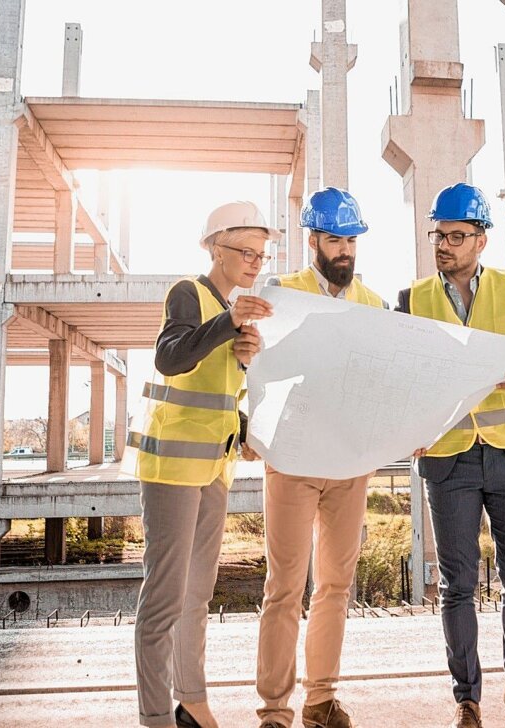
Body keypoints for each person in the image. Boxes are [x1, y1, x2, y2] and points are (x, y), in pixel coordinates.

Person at [395, 183, 505, 728]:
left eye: (455, 235)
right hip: (449, 460)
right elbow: (398, 376)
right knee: (458, 586)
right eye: (438, 235)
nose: (443, 244)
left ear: (481, 240)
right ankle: (467, 699)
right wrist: (408, 426)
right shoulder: (413, 299)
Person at [131, 200, 279, 728]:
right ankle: (155, 717)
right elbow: (170, 358)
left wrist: (244, 425)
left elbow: (216, 397)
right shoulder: (188, 293)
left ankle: (191, 701)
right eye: (246, 251)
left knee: (196, 595)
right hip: (171, 469)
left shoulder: (232, 310)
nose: (255, 262)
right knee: (164, 599)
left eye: (262, 254)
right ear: (216, 247)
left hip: (214, 470)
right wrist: (228, 322)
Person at [255, 188, 384, 728]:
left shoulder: (374, 305)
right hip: (293, 459)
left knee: (334, 586)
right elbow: (256, 368)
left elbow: (384, 382)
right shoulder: (282, 293)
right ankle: (275, 709)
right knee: (284, 586)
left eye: (352, 240)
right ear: (313, 241)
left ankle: (320, 699)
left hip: (350, 464)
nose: (345, 250)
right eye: (335, 239)